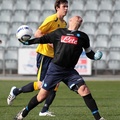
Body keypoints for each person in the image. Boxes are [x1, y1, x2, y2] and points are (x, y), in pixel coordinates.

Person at [14, 16, 105, 120]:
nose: (79, 18)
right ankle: (23, 114)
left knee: (84, 90)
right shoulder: (59, 32)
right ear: (70, 20)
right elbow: (42, 39)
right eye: (77, 17)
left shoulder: (83, 37)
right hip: (55, 69)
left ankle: (98, 118)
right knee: (41, 96)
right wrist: (27, 42)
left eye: (80, 18)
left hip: (70, 71)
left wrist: (95, 56)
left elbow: (89, 52)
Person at [7, 0, 68, 117]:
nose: (66, 8)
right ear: (57, 8)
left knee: (55, 84)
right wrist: (51, 43)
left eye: (67, 6)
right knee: (41, 85)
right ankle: (16, 91)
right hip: (45, 55)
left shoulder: (64, 24)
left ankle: (44, 110)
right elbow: (38, 33)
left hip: (54, 57)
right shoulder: (51, 20)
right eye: (64, 6)